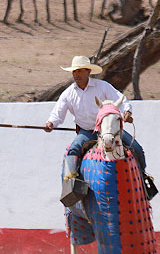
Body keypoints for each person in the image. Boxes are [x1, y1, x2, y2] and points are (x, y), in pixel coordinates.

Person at [44, 55, 153, 198]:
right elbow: (58, 112)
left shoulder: (103, 86)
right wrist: (51, 123)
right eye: (74, 72)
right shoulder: (68, 94)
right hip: (87, 131)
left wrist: (127, 111)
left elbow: (121, 99)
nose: (77, 75)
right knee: (73, 149)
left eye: (80, 71)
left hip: (109, 129)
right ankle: (71, 189)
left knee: (136, 148)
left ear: (88, 72)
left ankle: (143, 181)